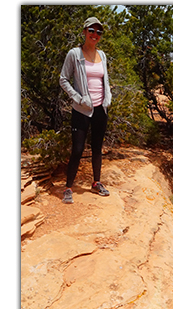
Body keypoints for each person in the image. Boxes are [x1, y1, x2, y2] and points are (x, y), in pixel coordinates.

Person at [59, 16, 112, 204]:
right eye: (91, 30)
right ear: (84, 32)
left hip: (100, 108)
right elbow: (63, 79)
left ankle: (96, 182)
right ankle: (68, 187)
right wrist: (78, 98)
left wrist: (108, 98)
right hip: (81, 109)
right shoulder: (74, 54)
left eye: (99, 32)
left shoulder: (102, 55)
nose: (95, 34)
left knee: (97, 148)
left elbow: (104, 80)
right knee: (78, 149)